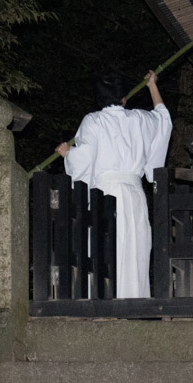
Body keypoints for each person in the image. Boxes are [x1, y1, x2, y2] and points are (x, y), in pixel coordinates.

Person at [55, 70, 170, 299]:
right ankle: (133, 301)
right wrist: (152, 86)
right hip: (134, 195)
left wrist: (68, 154)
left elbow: (84, 159)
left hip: (104, 194)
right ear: (124, 97)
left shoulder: (93, 121)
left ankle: (104, 302)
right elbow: (163, 120)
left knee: (105, 248)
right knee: (133, 249)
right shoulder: (138, 119)